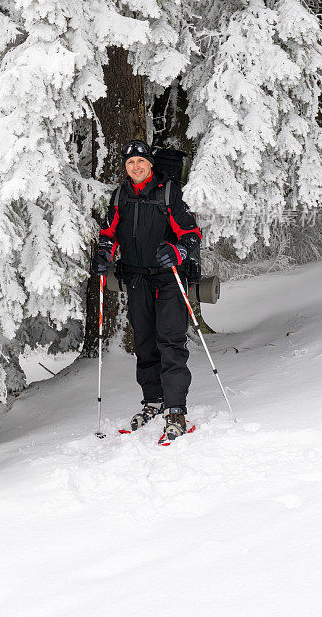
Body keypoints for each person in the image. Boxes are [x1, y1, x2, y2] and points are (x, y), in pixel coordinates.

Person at [92, 139, 202, 441]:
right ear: (126, 168)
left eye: (140, 162)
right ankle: (153, 401)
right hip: (136, 279)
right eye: (130, 164)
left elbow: (192, 235)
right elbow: (109, 232)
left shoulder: (168, 193)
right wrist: (103, 252)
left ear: (150, 165)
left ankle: (176, 407)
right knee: (144, 342)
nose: (136, 167)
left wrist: (178, 251)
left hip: (168, 279)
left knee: (171, 341)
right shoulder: (119, 196)